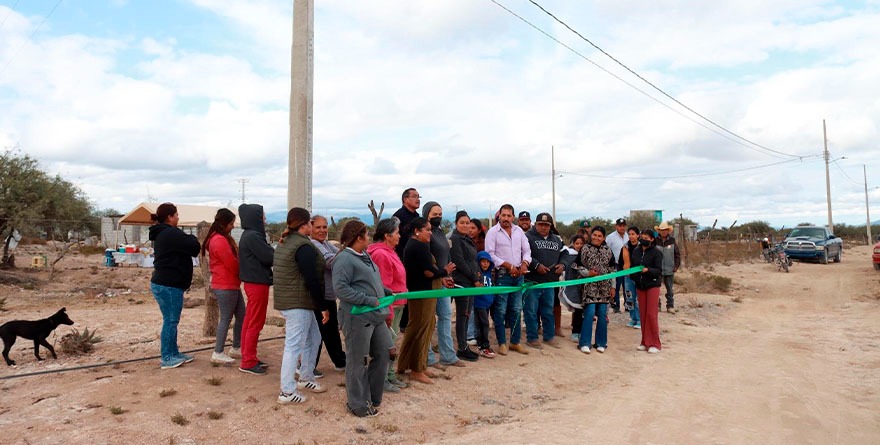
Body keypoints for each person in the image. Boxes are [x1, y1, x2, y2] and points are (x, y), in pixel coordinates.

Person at [333, 220, 394, 417]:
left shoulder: (364, 255)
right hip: (357, 317)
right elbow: (341, 289)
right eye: (367, 234)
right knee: (357, 360)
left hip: (376, 316)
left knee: (384, 353)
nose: (369, 237)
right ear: (359, 237)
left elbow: (369, 280)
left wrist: (384, 292)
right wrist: (367, 299)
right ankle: (357, 403)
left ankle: (373, 397)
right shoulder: (344, 259)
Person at [274, 208, 330, 404]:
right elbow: (311, 278)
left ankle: (306, 377)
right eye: (311, 224)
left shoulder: (287, 242)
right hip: (297, 302)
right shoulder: (302, 247)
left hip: (297, 300)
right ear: (305, 225)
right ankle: (287, 391)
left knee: (313, 338)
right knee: (294, 345)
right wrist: (322, 306)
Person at [398, 217, 454, 384]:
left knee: (422, 328)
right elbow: (428, 272)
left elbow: (428, 270)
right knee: (421, 330)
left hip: (426, 292)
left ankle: (417, 365)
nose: (430, 232)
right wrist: (445, 271)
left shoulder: (417, 245)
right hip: (423, 294)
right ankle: (416, 369)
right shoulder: (418, 246)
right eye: (427, 229)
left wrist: (441, 278)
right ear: (417, 230)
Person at [149, 203, 201, 369]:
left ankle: (173, 352)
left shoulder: (163, 233)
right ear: (170, 217)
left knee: (172, 320)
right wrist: (192, 237)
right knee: (170, 320)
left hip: (165, 283)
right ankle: (167, 357)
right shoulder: (170, 233)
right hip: (168, 284)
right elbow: (194, 247)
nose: (178, 218)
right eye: (176, 215)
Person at [366, 218, 410, 392]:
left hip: (398, 304)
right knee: (386, 344)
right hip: (390, 306)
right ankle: (381, 379)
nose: (399, 236)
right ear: (387, 235)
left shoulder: (390, 251)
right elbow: (383, 287)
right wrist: (388, 313)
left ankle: (389, 376)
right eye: (397, 233)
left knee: (391, 342)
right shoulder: (381, 255)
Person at [485, 204, 531, 355]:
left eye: (508, 215)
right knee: (500, 310)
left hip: (519, 275)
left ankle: (515, 342)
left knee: (517, 309)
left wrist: (524, 264)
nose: (505, 218)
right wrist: (508, 265)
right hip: (503, 274)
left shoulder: (519, 232)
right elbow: (490, 254)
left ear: (513, 216)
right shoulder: (493, 232)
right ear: (499, 216)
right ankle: (502, 343)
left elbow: (527, 250)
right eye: (503, 215)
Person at [202, 208, 245, 365]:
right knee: (226, 318)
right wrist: (244, 271)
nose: (233, 226)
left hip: (230, 283)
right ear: (225, 223)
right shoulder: (219, 240)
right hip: (225, 284)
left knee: (241, 315)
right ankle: (218, 351)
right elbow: (231, 263)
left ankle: (236, 346)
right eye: (232, 223)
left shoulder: (217, 238)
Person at [422, 201, 462, 368]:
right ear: (426, 214)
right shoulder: (426, 234)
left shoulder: (440, 232)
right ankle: (429, 358)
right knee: (429, 320)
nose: (438, 217)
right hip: (430, 282)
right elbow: (426, 259)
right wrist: (441, 275)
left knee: (445, 317)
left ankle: (448, 355)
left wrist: (448, 275)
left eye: (440, 214)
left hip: (444, 281)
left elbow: (446, 256)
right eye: (434, 214)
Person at [237, 203, 275, 375]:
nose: (265, 219)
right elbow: (269, 257)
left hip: (253, 281)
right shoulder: (254, 236)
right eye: (263, 216)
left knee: (249, 320)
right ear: (256, 217)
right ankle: (248, 361)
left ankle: (248, 355)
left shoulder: (249, 235)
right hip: (257, 282)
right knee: (255, 322)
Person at [522, 213, 567, 349]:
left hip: (549, 282)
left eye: (546, 225)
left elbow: (565, 253)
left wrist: (563, 264)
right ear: (535, 224)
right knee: (531, 311)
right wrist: (536, 265)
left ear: (550, 226)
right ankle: (532, 338)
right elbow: (524, 253)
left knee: (548, 310)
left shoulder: (557, 239)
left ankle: (549, 336)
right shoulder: (527, 237)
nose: (543, 227)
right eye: (541, 224)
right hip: (532, 281)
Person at [309, 215, 346, 374]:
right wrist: (347, 250)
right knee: (318, 332)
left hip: (328, 294)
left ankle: (340, 360)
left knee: (330, 331)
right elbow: (330, 262)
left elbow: (337, 254)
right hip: (320, 295)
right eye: (318, 227)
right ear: (310, 228)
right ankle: (308, 366)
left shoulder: (325, 244)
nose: (322, 230)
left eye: (324, 227)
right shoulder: (313, 244)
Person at [575, 226, 616, 354]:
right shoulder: (585, 249)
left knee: (603, 314)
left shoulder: (608, 250)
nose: (596, 238)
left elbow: (613, 270)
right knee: (590, 312)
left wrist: (613, 286)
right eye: (594, 235)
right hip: (589, 287)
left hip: (605, 287)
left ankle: (601, 343)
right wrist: (588, 273)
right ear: (591, 235)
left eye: (599, 236)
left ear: (603, 237)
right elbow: (577, 266)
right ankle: (584, 343)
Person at [449, 210, 480, 362]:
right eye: (462, 222)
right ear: (456, 223)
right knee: (462, 315)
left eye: (468, 223)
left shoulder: (467, 239)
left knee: (467, 315)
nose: (465, 225)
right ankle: (462, 348)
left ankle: (464, 346)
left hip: (470, 282)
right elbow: (459, 262)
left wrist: (477, 274)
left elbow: (473, 260)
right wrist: (474, 278)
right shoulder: (455, 239)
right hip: (461, 282)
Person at [631, 229, 663, 353]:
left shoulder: (656, 253)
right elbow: (633, 267)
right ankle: (645, 341)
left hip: (652, 285)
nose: (644, 239)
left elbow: (659, 270)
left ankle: (655, 343)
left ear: (652, 239)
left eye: (647, 237)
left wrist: (648, 270)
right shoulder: (636, 251)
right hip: (640, 285)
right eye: (642, 237)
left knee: (651, 314)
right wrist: (634, 276)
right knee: (643, 314)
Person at [392, 188, 420, 333]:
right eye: (414, 196)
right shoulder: (398, 216)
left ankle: (412, 321)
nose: (418, 199)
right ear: (405, 199)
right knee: (404, 291)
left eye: (418, 196)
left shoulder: (417, 216)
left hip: (417, 261)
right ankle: (403, 324)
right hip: (402, 261)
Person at [560, 235, 585, 343]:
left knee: (585, 311)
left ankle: (583, 332)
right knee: (578, 311)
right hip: (574, 288)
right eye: (577, 243)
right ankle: (575, 332)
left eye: (581, 243)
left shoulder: (587, 255)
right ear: (573, 244)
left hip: (586, 288)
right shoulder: (569, 255)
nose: (579, 245)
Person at [655, 221, 681, 314]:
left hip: (669, 269)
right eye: (661, 230)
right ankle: (657, 306)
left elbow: (677, 255)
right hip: (657, 270)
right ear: (659, 231)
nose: (663, 232)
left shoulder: (672, 241)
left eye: (665, 230)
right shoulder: (655, 241)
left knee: (669, 289)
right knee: (656, 289)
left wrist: (676, 267)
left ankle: (670, 306)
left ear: (668, 231)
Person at [474, 251, 496, 358]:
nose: (485, 264)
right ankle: (484, 346)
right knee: (484, 324)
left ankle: (481, 345)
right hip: (479, 303)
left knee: (483, 324)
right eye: (483, 261)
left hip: (487, 303)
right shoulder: (477, 274)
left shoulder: (490, 274)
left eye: (487, 261)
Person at [605, 218, 629, 313]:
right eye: (620, 226)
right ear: (616, 226)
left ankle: (628, 305)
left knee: (627, 285)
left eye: (623, 226)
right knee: (616, 285)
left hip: (627, 265)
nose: (622, 227)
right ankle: (616, 306)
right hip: (616, 265)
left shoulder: (628, 236)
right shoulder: (610, 237)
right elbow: (606, 250)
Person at [623, 227, 642, 329]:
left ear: (638, 235)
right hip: (628, 276)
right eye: (629, 234)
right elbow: (623, 261)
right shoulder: (625, 246)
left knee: (639, 298)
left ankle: (640, 320)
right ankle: (633, 318)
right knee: (629, 297)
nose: (631, 236)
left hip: (639, 276)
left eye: (633, 234)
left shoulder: (642, 246)